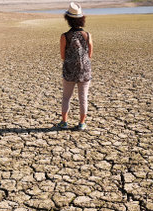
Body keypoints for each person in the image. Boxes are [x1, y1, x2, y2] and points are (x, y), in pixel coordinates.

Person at [58, 2, 93, 131]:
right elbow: (90, 54)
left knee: (66, 97)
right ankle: (82, 123)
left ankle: (64, 122)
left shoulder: (65, 36)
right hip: (85, 70)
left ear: (68, 19)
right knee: (83, 97)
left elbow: (62, 55)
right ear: (81, 19)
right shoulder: (87, 35)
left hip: (69, 70)